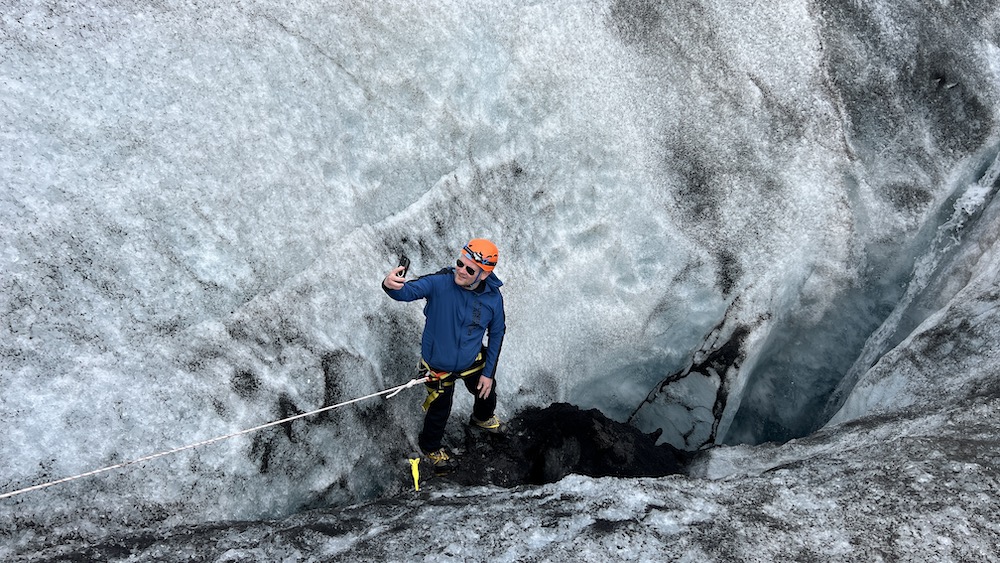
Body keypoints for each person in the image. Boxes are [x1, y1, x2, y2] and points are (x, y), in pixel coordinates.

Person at [382, 238, 506, 473]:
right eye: (460, 263)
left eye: (470, 269)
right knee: (439, 410)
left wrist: (488, 373)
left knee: (486, 392)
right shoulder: (439, 283)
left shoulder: (493, 298)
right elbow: (407, 292)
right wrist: (390, 285)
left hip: (471, 360)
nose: (461, 271)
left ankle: (482, 418)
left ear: (484, 275)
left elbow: (497, 332)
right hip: (439, 365)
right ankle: (430, 448)